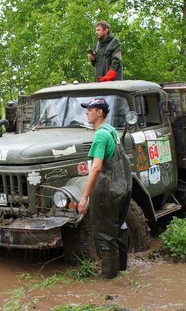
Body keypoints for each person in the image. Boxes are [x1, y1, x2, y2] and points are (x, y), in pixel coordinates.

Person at [78, 97, 132, 279]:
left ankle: (108, 278)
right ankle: (122, 270)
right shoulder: (112, 131)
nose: (87, 112)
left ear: (99, 112)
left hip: (107, 191)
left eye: (90, 109)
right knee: (119, 228)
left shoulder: (100, 135)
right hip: (123, 188)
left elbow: (96, 167)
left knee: (105, 235)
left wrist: (85, 197)